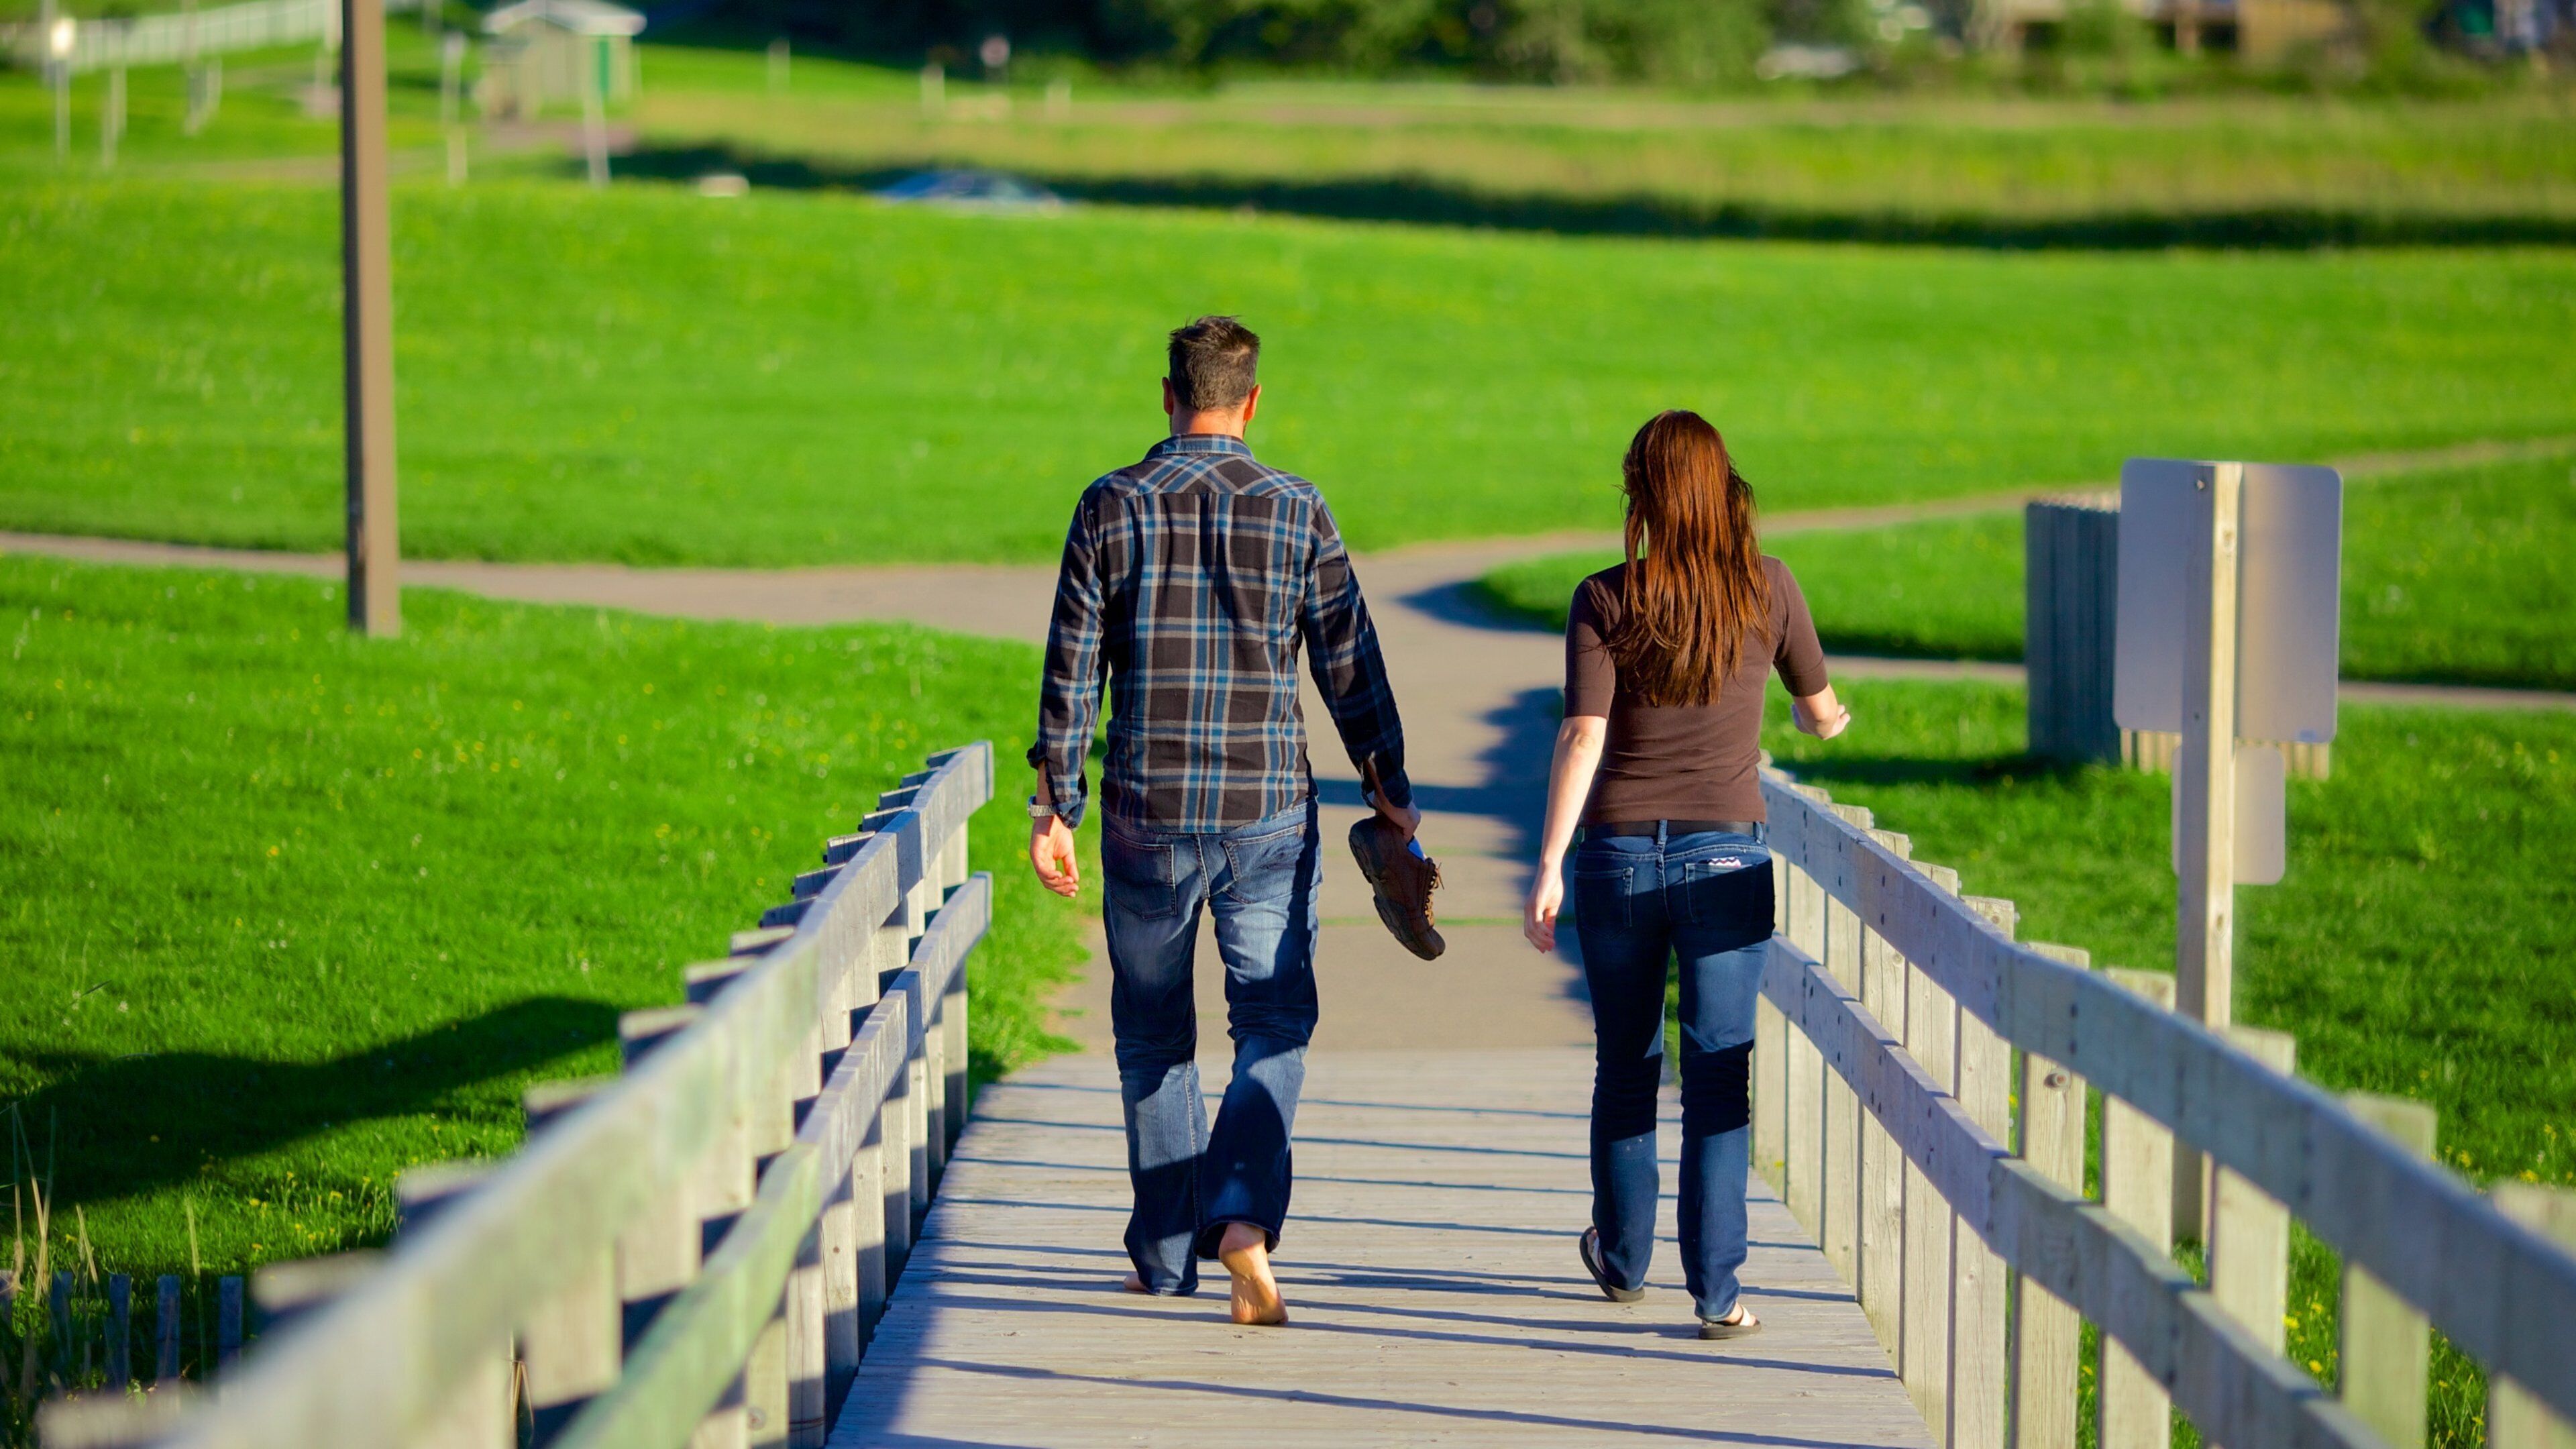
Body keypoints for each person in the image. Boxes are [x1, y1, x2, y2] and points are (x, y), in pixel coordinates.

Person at [1026, 315, 1428, 1326]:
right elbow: (1350, 661)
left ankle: (1166, 1256)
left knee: (1151, 1033)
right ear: (1252, 402)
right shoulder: (1298, 508)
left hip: (1145, 813)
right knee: (1274, 1021)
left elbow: (1073, 669)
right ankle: (1243, 1214)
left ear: (1167, 394)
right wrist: (1389, 779)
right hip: (1265, 814)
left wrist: (1054, 805)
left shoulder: (1108, 506)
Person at [1521, 409, 1849, 1340]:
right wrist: (1830, 721)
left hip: (1620, 860)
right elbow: (1819, 711)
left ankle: (1623, 1265)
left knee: (1625, 1066)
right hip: (1728, 860)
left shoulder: (1603, 597)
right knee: (1718, 1074)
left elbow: (1584, 733)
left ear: (1642, 495)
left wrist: (1550, 860)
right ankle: (1717, 1294)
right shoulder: (1769, 589)